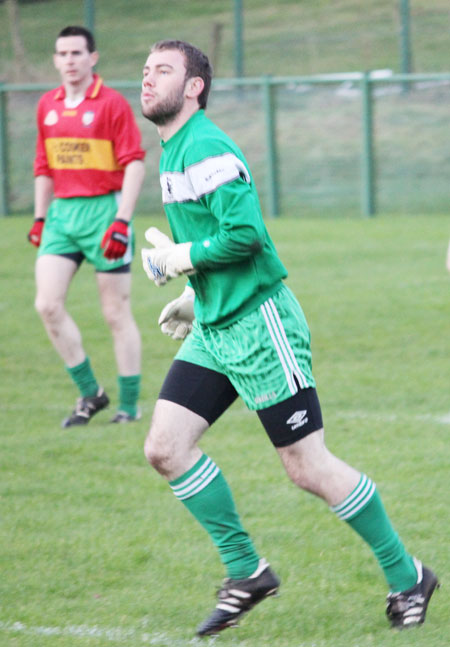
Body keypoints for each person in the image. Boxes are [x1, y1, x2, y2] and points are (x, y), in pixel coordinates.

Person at [139, 40, 439, 636]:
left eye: (163, 71)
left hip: (260, 325)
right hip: (218, 327)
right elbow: (213, 245)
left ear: (195, 86)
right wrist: (195, 297)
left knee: (306, 465)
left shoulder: (207, 147)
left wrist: (180, 258)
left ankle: (408, 575)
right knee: (165, 448)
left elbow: (245, 237)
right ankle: (247, 572)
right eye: (146, 71)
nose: (147, 80)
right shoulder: (173, 150)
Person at [29, 26, 146, 427]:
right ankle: (91, 393)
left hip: (104, 214)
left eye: (77, 53)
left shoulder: (112, 104)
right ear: (55, 60)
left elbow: (134, 162)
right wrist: (40, 216)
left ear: (92, 58)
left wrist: (121, 221)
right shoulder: (47, 105)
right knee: (47, 304)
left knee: (115, 313)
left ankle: (129, 407)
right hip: (62, 216)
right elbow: (44, 166)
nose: (69, 61)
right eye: (62, 54)